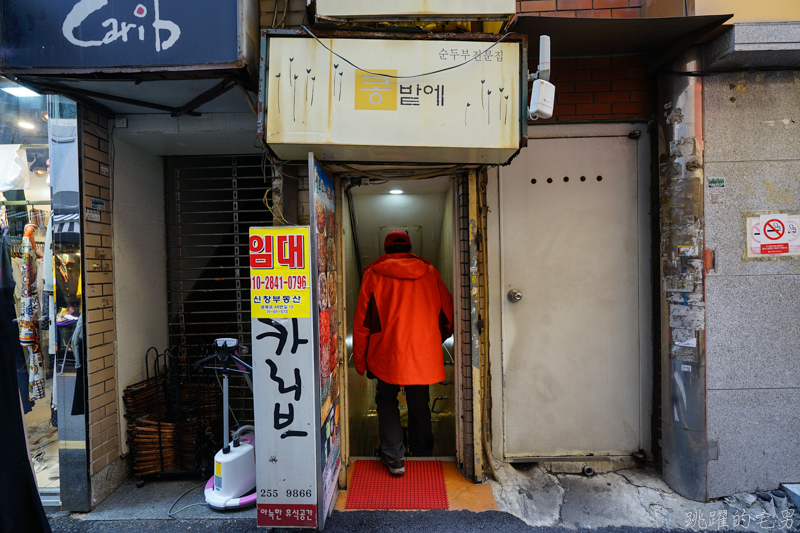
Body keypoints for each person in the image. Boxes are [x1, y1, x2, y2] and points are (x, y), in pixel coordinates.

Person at [353, 230, 453, 475]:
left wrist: (360, 361)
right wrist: (432, 341)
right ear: (409, 247)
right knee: (419, 401)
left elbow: (363, 323)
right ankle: (422, 455)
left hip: (386, 354)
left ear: (385, 250)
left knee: (387, 401)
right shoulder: (430, 273)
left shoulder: (372, 275)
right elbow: (447, 315)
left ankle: (394, 457)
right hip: (421, 355)